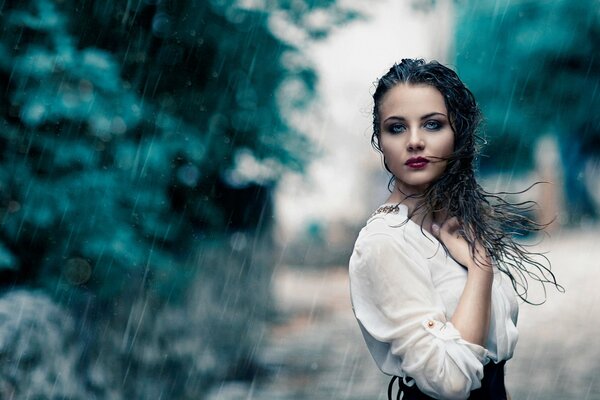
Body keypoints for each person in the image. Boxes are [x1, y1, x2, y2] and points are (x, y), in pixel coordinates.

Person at [348, 59, 561, 400]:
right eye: (397, 128)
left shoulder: (455, 225)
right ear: (380, 141)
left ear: (457, 134)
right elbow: (451, 382)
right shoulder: (384, 243)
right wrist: (480, 271)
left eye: (432, 125)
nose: (414, 141)